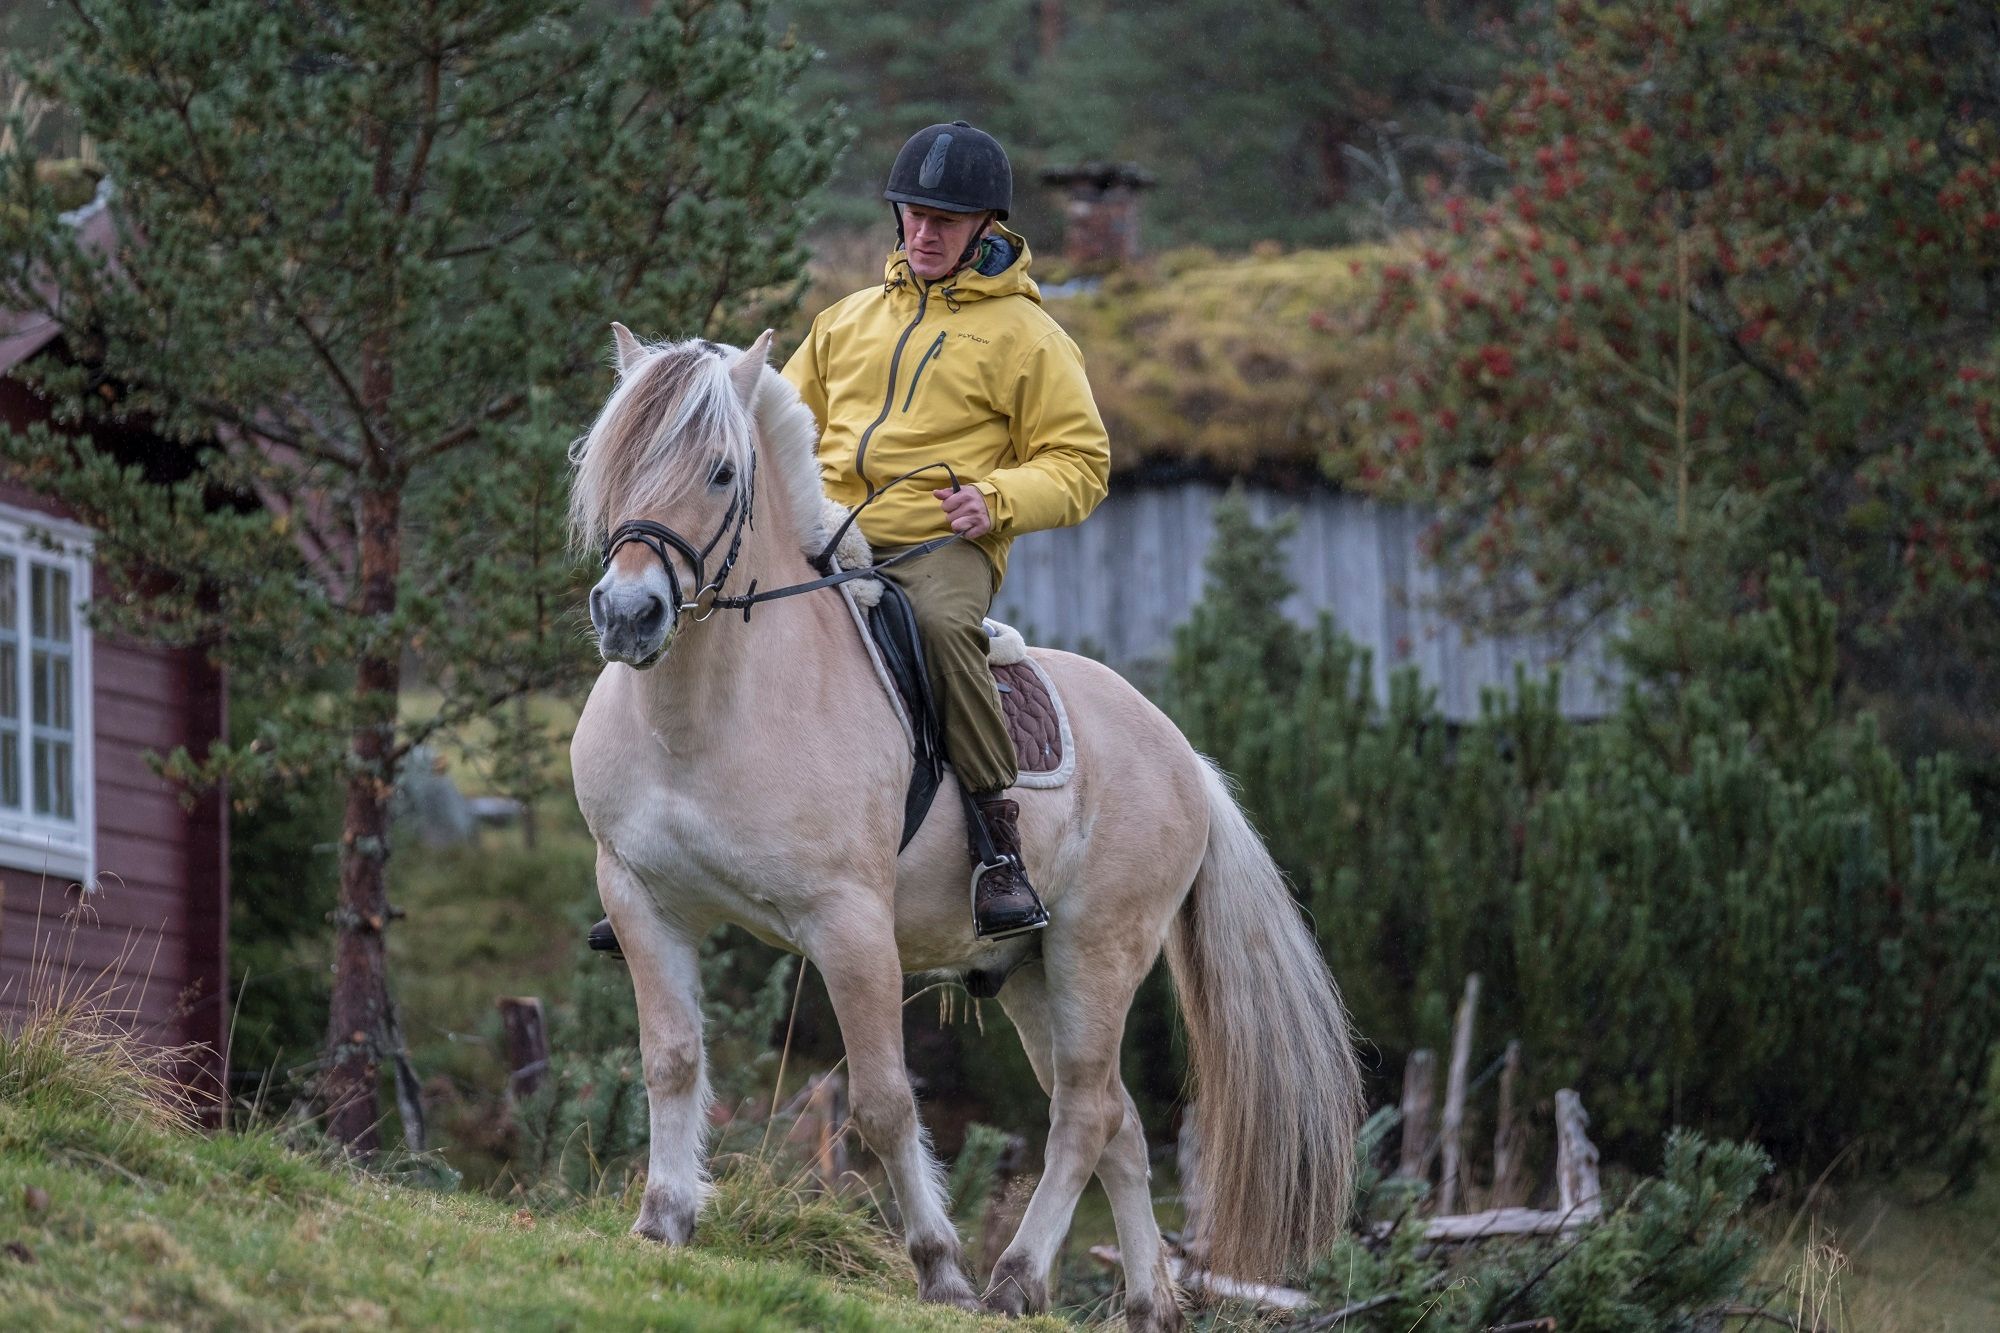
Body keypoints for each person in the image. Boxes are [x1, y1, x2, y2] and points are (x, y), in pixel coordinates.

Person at [781, 120, 1111, 939]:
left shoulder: (1031, 337)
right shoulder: (841, 320)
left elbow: (1081, 464)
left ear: (986, 229)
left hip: (937, 545)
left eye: (946, 221)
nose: (924, 233)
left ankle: (998, 844)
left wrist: (995, 499)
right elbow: (780, 427)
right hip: (820, 528)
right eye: (913, 214)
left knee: (937, 625)